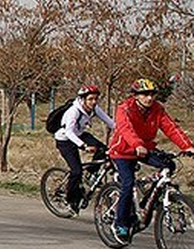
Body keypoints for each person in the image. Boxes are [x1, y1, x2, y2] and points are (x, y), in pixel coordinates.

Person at [107, 78, 194, 240]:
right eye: (145, 94)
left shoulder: (157, 109)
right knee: (128, 183)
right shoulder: (124, 109)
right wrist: (137, 144)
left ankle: (150, 199)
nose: (149, 98)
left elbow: (170, 127)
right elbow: (126, 129)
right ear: (135, 96)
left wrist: (187, 146)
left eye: (152, 94)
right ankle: (120, 224)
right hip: (123, 151)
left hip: (145, 149)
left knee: (169, 165)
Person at [52, 84, 113, 212]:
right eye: (90, 99)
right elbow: (69, 132)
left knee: (104, 150)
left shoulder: (94, 108)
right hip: (65, 140)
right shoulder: (73, 111)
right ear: (82, 99)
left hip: (80, 134)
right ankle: (71, 200)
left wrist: (126, 134)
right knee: (76, 171)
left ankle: (90, 175)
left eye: (96, 99)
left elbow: (110, 123)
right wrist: (84, 146)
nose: (94, 102)